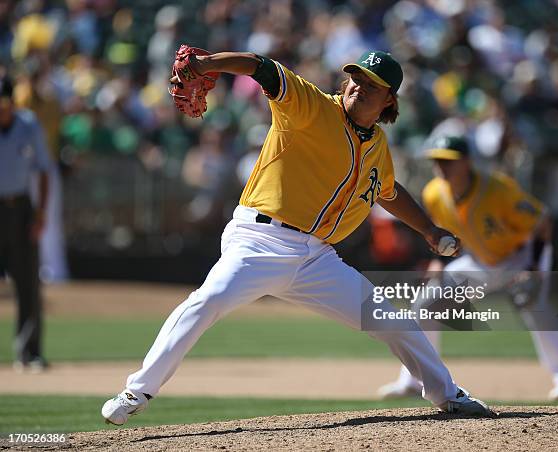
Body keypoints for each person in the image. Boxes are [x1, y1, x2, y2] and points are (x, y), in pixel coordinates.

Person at [102, 50, 494, 425]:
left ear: (389, 99)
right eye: (355, 78)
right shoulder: (312, 106)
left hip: (316, 259)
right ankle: (136, 392)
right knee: (209, 300)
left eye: (370, 84)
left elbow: (387, 191)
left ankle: (448, 395)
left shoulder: (376, 144)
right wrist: (209, 64)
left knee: (390, 320)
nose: (357, 86)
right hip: (259, 240)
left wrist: (428, 229)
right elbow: (262, 67)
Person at [378, 135, 558, 401]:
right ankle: (414, 380)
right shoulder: (434, 193)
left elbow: (542, 223)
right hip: (480, 260)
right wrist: (439, 261)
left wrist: (532, 268)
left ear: (467, 162)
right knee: (424, 304)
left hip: (522, 255)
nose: (441, 167)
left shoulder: (497, 189)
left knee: (534, 305)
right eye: (436, 160)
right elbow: (443, 235)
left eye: (448, 161)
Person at [0, 74, 51, 372]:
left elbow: (44, 170)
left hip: (19, 207)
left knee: (27, 282)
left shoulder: (27, 124)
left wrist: (40, 214)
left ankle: (30, 352)